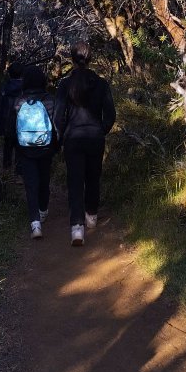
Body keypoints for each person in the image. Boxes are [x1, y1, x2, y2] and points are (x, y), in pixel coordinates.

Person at [54, 41, 116, 246]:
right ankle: (92, 215)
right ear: (90, 59)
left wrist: (61, 135)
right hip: (95, 137)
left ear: (72, 59)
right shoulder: (101, 84)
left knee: (75, 180)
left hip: (73, 138)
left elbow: (58, 116)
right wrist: (101, 130)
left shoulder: (65, 84)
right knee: (93, 177)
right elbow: (110, 114)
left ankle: (77, 228)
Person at [12, 65, 58, 239]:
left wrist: (15, 148)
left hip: (25, 148)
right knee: (44, 180)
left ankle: (35, 223)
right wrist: (56, 146)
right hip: (45, 148)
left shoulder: (19, 101)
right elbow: (56, 124)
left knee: (31, 184)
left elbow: (11, 128)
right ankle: (43, 210)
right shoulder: (49, 100)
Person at [0, 62, 24, 172]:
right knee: (20, 149)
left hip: (7, 123)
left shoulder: (5, 88)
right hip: (23, 124)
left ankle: (6, 171)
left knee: (7, 147)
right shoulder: (26, 89)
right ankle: (19, 172)